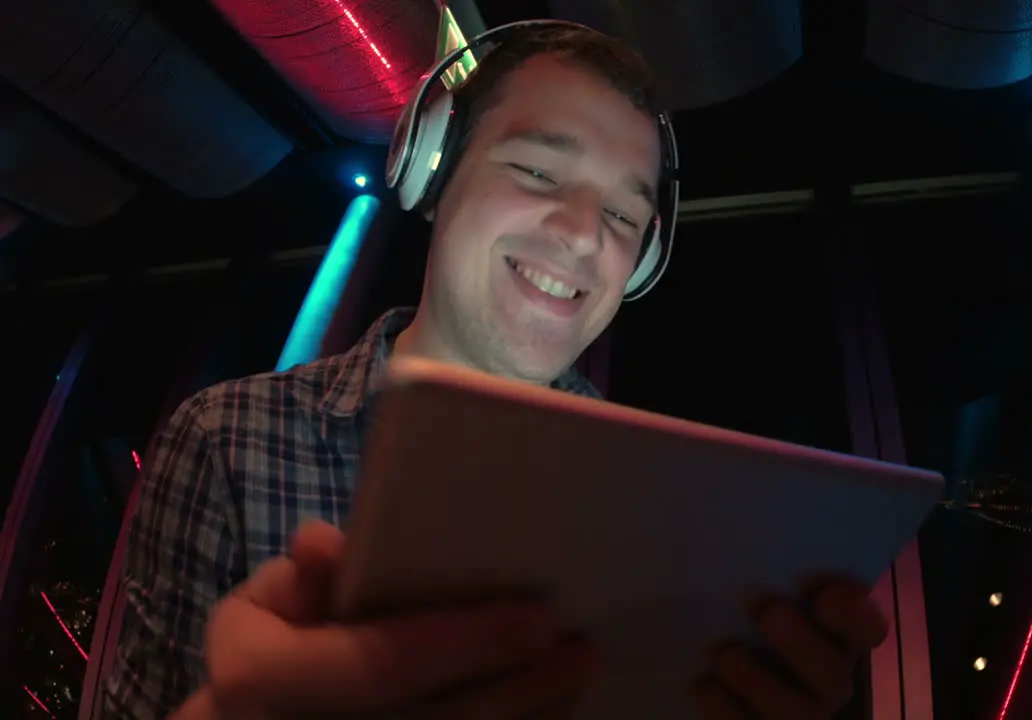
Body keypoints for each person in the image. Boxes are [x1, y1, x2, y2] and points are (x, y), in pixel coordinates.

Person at [103, 22, 888, 720]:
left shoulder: (652, 499)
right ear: (433, 178)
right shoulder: (229, 438)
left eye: (623, 214)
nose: (584, 234)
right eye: (539, 173)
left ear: (643, 260)